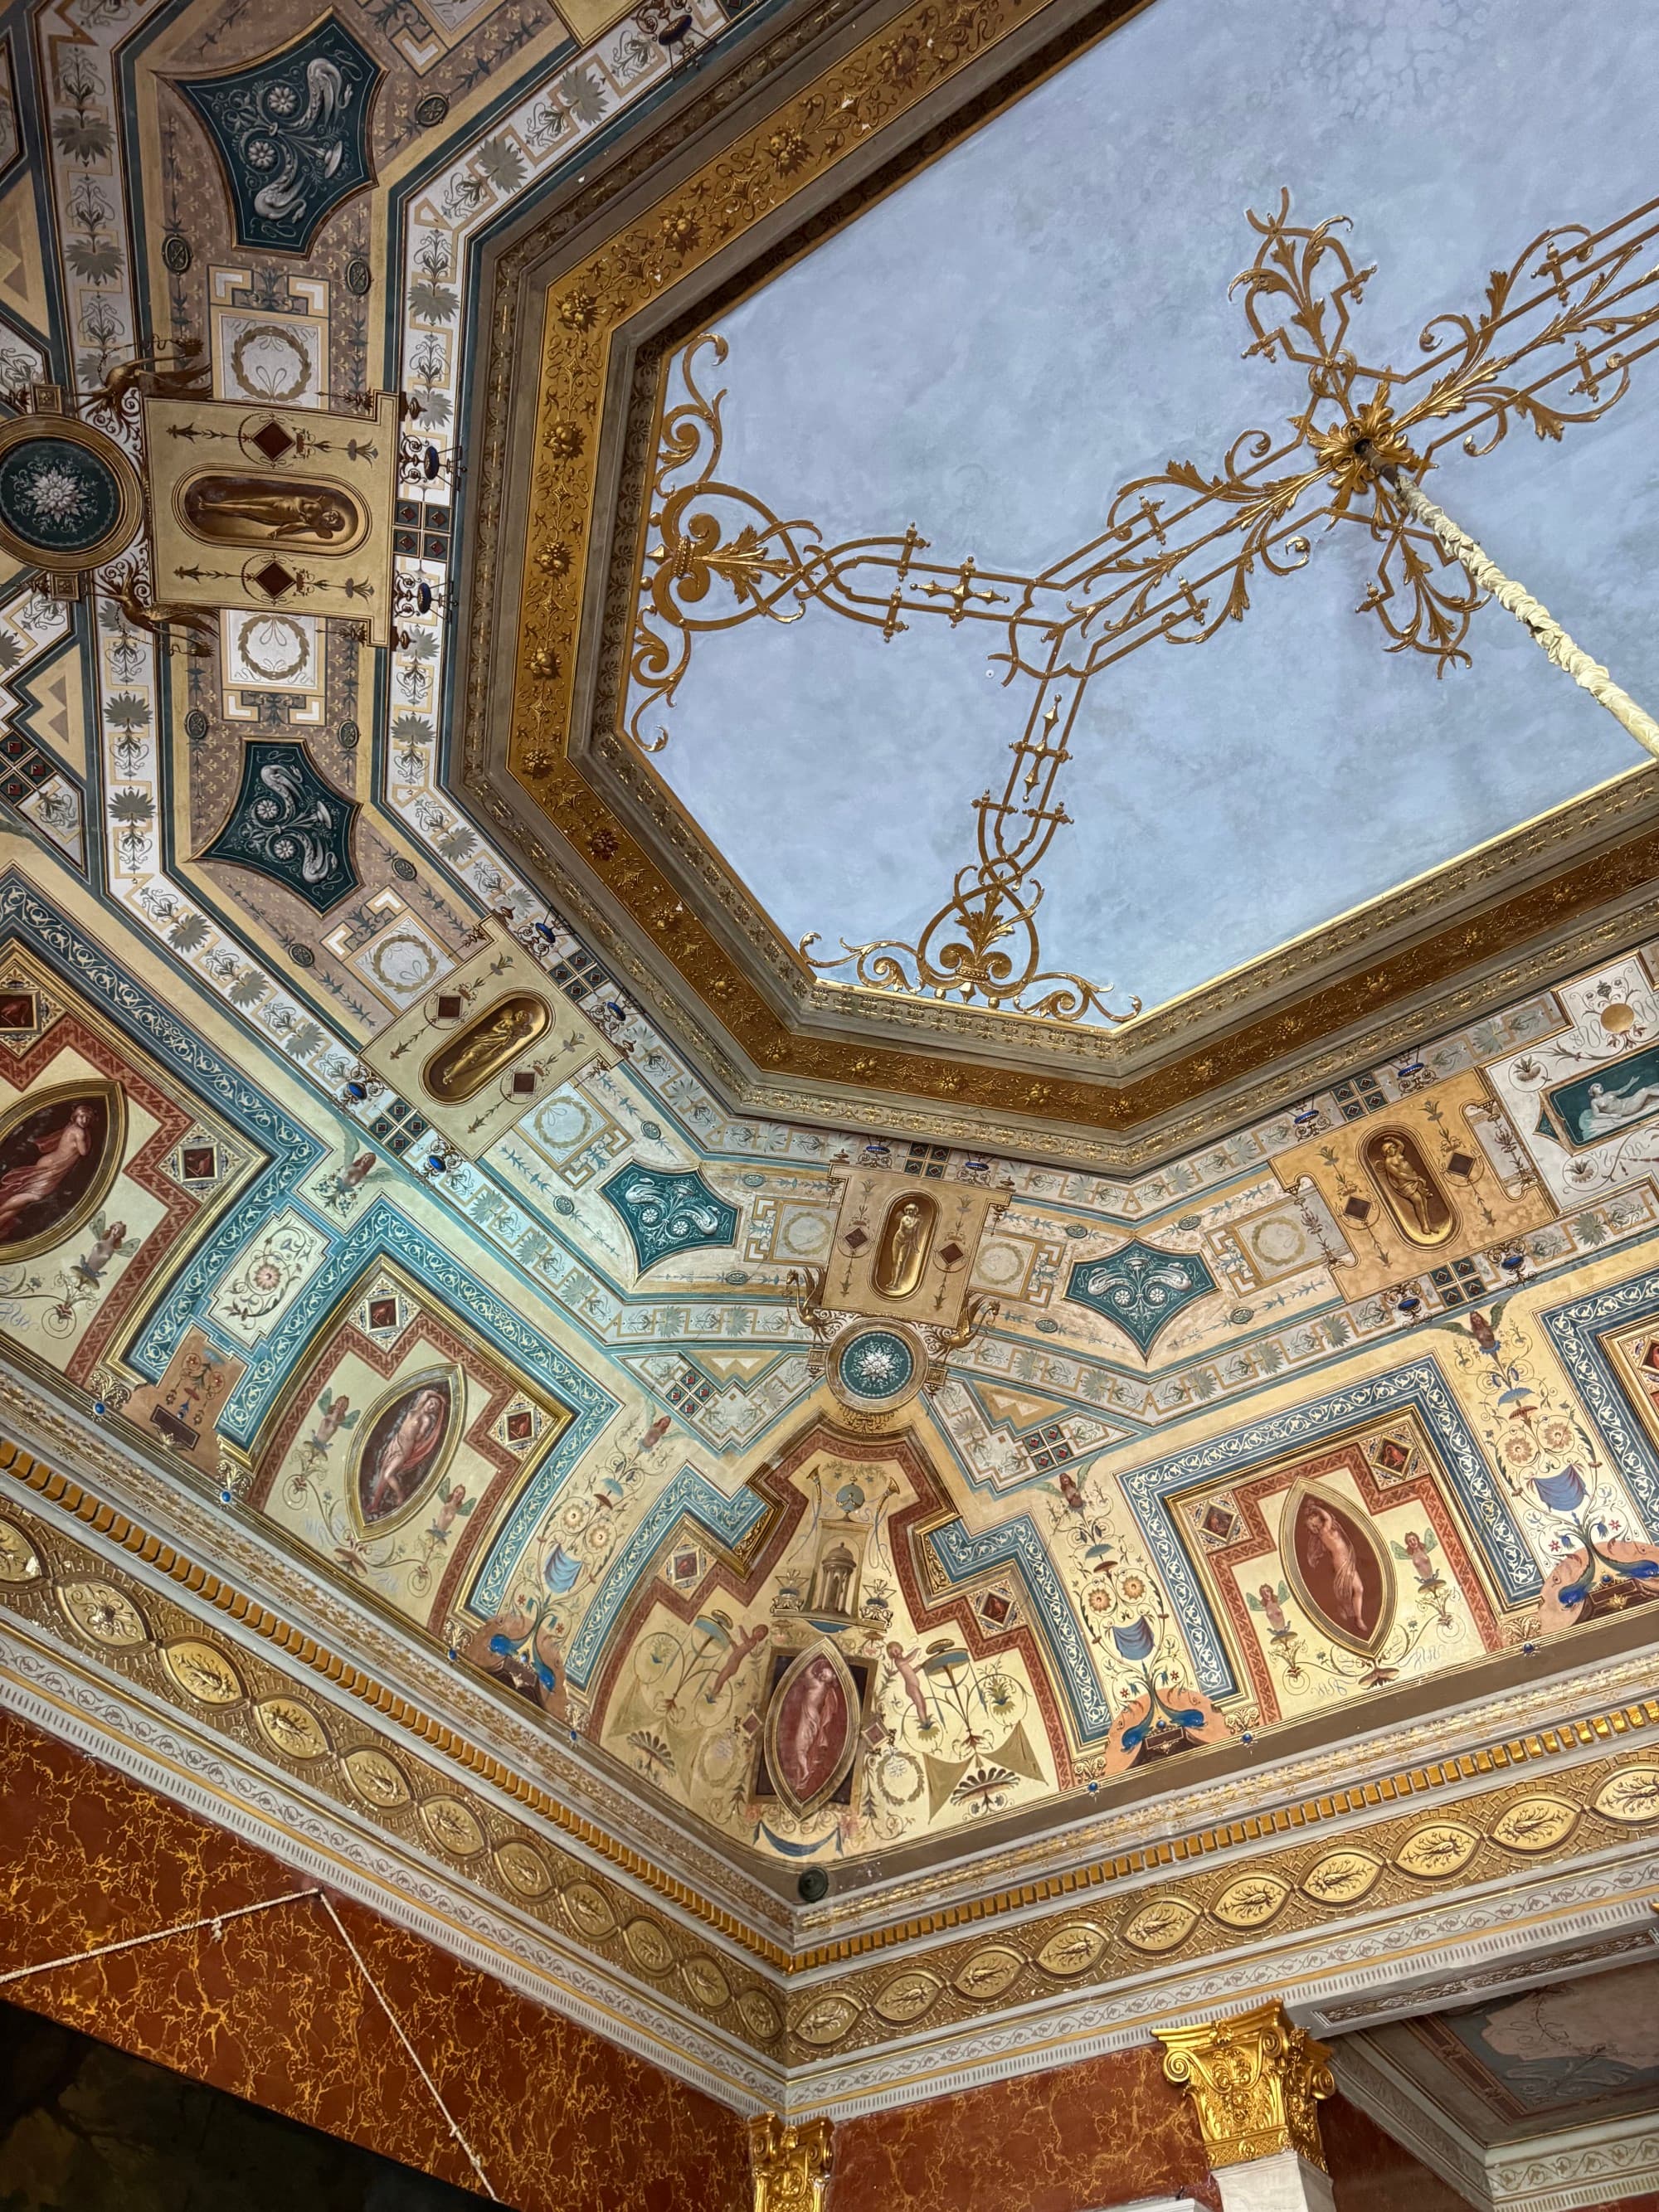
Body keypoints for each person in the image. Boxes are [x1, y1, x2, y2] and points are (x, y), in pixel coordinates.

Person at [0, 1102, 95, 1241]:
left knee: (25, 1199)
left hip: (53, 1165)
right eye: (82, 1117)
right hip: (53, 1168)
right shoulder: (79, 1131)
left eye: (87, 1118)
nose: (84, 1120)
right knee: (33, 1196)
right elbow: (84, 1152)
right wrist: (88, 1136)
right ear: (75, 1117)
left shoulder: (72, 1127)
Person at [363, 1386, 447, 1516]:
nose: (431, 1406)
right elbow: (426, 1393)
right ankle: (375, 1504)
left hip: (404, 1449)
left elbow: (419, 1436)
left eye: (435, 1407)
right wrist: (440, 1398)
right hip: (395, 1443)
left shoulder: (427, 1419)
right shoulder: (416, 1409)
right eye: (431, 1403)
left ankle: (400, 1496)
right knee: (382, 1476)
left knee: (388, 1475)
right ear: (426, 1401)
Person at [1303, 1502, 1368, 1635]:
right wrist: (1316, 1508)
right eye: (1312, 1518)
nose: (1315, 1517)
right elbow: (1327, 1517)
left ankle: (1358, 1618)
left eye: (1314, 1516)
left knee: (1359, 1589)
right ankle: (1352, 1613)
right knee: (1349, 1590)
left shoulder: (1331, 1528)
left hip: (1348, 1560)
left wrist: (1314, 1509)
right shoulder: (1323, 1531)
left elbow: (1328, 1518)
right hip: (1341, 1562)